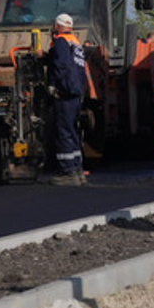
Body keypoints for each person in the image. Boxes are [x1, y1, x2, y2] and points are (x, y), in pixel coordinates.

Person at [46, 12, 89, 185]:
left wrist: (58, 88)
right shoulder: (75, 42)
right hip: (76, 93)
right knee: (73, 131)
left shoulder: (61, 41)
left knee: (63, 132)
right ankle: (77, 171)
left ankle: (67, 173)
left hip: (66, 94)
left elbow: (63, 66)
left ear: (57, 26)